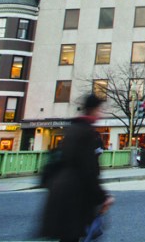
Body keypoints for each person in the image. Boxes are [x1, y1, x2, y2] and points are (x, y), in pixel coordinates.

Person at [40, 94, 114, 242]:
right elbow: (88, 170)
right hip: (75, 195)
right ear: (93, 110)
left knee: (68, 237)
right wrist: (103, 197)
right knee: (73, 235)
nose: (101, 113)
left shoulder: (72, 129)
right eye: (100, 109)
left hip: (61, 191)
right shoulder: (87, 133)